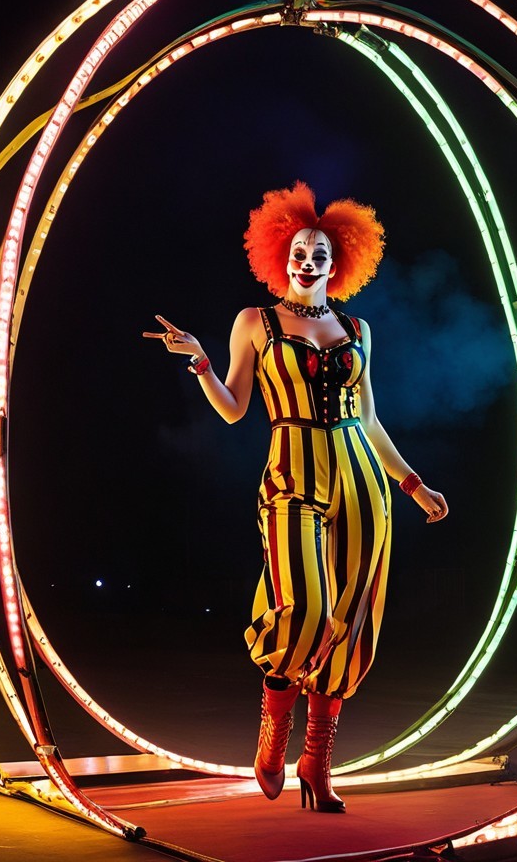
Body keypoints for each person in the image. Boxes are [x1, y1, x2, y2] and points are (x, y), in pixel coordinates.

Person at [143, 181, 447, 814]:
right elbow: (234, 409)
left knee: (353, 619)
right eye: (299, 252)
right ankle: (275, 720)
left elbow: (370, 420)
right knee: (305, 609)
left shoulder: (359, 329)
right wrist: (200, 361)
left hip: (362, 481)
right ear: (281, 256)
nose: (309, 262)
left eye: (321, 254)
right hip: (291, 477)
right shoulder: (254, 322)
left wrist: (414, 484)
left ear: (340, 264)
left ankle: (316, 759)